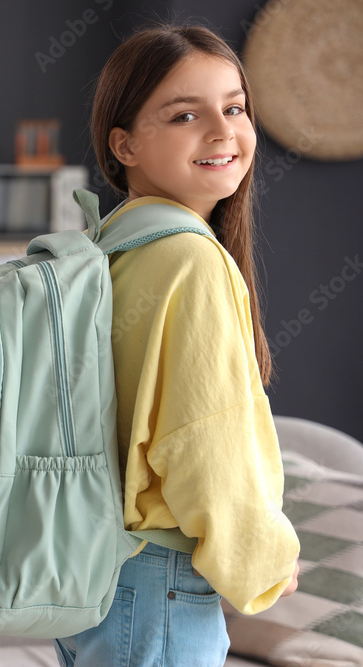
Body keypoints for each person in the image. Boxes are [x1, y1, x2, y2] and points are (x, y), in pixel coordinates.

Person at [51, 21, 301, 667]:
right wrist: (263, 560)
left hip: (95, 570)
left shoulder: (112, 247)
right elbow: (203, 444)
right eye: (186, 113)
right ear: (124, 144)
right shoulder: (189, 259)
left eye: (235, 107)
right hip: (158, 581)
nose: (223, 131)